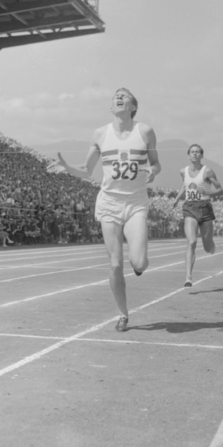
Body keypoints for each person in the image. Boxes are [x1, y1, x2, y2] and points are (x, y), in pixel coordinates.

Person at [48, 87, 160, 332]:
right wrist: (67, 167)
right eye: (115, 97)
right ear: (112, 108)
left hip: (136, 203)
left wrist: (153, 171)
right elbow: (87, 170)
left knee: (139, 263)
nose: (119, 98)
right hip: (109, 203)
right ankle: (122, 314)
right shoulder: (100, 134)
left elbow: (156, 163)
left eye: (125, 96)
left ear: (133, 106)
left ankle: (139, 265)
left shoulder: (145, 132)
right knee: (115, 265)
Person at [170, 144, 223, 288]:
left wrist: (207, 193)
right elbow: (185, 185)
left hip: (205, 208)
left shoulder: (208, 172)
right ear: (188, 155)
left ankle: (211, 245)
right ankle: (188, 277)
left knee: (207, 247)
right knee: (191, 241)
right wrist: (177, 198)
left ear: (201, 155)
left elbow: (220, 190)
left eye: (197, 152)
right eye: (192, 152)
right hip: (190, 208)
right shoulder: (183, 171)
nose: (194, 154)